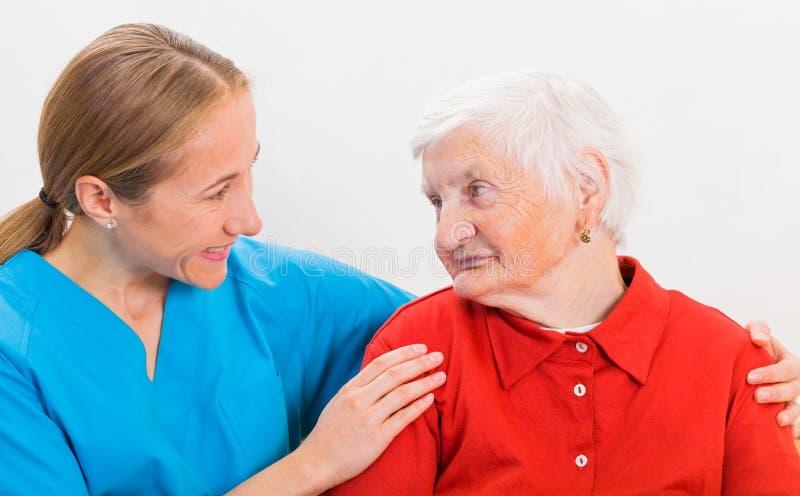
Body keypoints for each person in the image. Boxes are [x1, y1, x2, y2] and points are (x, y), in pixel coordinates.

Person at [0, 26, 795, 496]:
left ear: (588, 188)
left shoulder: (284, 293)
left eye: (250, 172)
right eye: (215, 191)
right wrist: (309, 468)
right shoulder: (16, 343)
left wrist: (747, 379)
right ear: (102, 200)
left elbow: (508, 318)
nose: (250, 218)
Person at [329, 70, 800, 494]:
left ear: (585, 188)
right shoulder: (417, 349)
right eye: (437, 201)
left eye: (478, 191)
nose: (445, 233)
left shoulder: (733, 361)